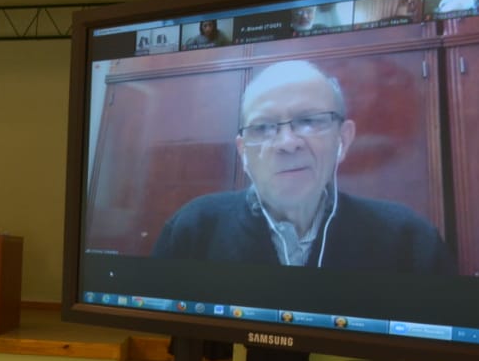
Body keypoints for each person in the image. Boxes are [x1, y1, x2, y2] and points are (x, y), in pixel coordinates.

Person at [152, 60, 455, 273]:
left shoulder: (410, 240)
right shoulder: (193, 228)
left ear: (343, 139)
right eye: (264, 127)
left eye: (309, 121)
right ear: (244, 153)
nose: (287, 142)